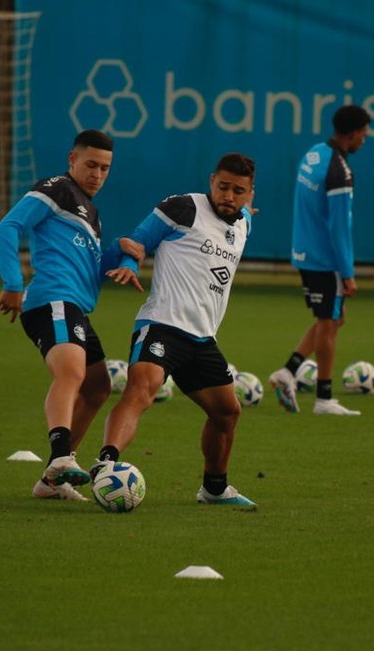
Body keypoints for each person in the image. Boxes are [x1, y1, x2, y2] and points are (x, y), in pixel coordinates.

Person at [90, 153, 258, 508]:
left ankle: (214, 489)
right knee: (141, 392)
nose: (228, 195)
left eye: (238, 191)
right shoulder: (184, 207)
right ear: (212, 180)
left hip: (202, 339)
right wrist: (128, 263)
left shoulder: (243, 223)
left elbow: (241, 216)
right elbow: (139, 240)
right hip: (162, 325)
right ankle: (105, 466)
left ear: (249, 194)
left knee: (228, 412)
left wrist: (246, 210)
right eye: (223, 186)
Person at [0, 129, 144, 502]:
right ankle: (61, 457)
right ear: (71, 159)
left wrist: (117, 253)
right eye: (90, 164)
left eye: (105, 168)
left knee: (98, 387)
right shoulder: (56, 188)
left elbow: (88, 268)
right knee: (72, 373)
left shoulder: (91, 212)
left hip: (74, 307)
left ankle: (51, 483)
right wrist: (12, 282)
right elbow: (8, 227)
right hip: (52, 301)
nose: (97, 174)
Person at [268, 105, 371, 416]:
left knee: (333, 319)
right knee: (329, 323)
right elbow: (339, 227)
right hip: (325, 259)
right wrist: (348, 273)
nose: (364, 141)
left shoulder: (314, 154)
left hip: (304, 252)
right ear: (353, 134)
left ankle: (288, 372)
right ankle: (324, 399)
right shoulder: (340, 170)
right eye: (364, 136)